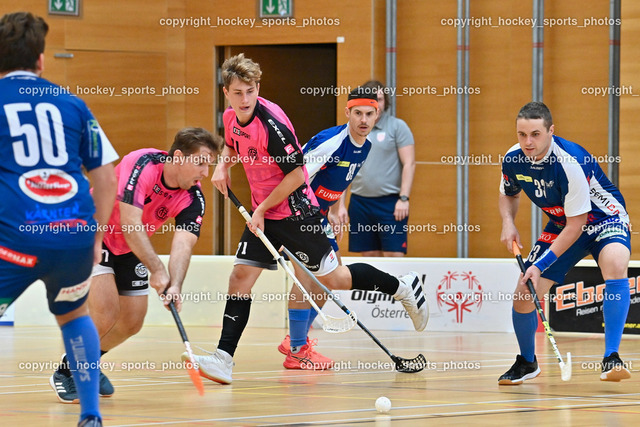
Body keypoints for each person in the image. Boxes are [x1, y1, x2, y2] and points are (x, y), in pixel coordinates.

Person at [188, 53, 428, 385]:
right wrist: (222, 165)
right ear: (226, 93)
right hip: (266, 212)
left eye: (251, 91)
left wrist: (260, 210)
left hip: (295, 213)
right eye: (238, 92)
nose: (245, 99)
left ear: (258, 88)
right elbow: (232, 144)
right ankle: (223, 359)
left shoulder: (273, 124)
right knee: (240, 278)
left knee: (337, 280)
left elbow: (297, 176)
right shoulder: (231, 118)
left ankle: (402, 287)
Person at [0, 11, 118, 427]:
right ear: (41, 60)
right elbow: (106, 178)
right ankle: (90, 415)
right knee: (73, 316)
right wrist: (97, 236)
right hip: (73, 236)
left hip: (15, 239)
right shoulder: (73, 103)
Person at [50, 127, 222, 402]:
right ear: (178, 157)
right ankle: (68, 371)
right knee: (106, 311)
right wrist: (156, 269)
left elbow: (183, 244)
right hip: (93, 231)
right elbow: (130, 224)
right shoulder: (142, 164)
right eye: (200, 163)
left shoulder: (193, 197)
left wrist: (175, 284)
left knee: (131, 322)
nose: (205, 172)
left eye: (209, 165)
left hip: (130, 247)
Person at [499, 101, 631, 384]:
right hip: (563, 223)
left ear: (551, 131)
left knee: (616, 262)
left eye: (535, 134)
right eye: (522, 134)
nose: (528, 142)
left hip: (602, 219)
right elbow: (508, 193)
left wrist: (542, 264)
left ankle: (611, 357)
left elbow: (578, 225)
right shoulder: (513, 158)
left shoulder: (570, 161)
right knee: (525, 293)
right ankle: (527, 362)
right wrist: (508, 223)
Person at [277, 86, 379, 369]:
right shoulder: (331, 141)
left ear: (376, 115)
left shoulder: (365, 146)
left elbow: (338, 180)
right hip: (296, 213)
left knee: (331, 279)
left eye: (369, 114)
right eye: (357, 113)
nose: (363, 119)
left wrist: (336, 208)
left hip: (318, 215)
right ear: (347, 113)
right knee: (309, 278)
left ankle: (296, 341)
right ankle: (297, 349)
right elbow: (296, 177)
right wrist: (279, 213)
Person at [348, 80, 415, 257]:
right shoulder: (352, 129)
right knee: (370, 258)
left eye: (379, 99)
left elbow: (409, 163)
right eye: (371, 99)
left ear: (386, 102)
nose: (375, 103)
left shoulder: (397, 127)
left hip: (390, 203)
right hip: (360, 202)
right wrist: (339, 205)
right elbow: (344, 167)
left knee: (394, 257)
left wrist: (404, 198)